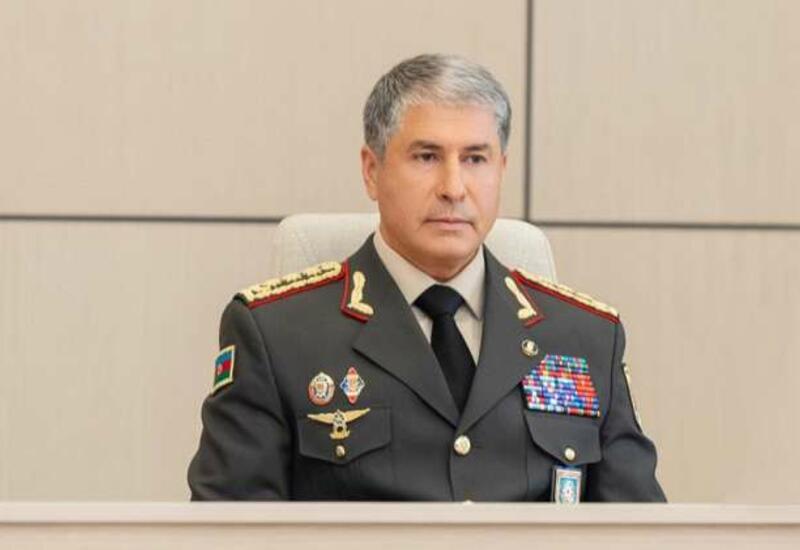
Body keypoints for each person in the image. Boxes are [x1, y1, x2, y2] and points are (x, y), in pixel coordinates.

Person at [188, 54, 666, 502]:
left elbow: (640, 532)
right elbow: (228, 531)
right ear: (371, 171)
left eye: (475, 159)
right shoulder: (276, 334)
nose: (453, 188)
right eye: (426, 157)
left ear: (501, 171)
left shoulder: (587, 337)